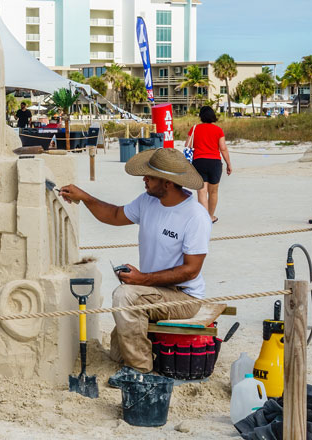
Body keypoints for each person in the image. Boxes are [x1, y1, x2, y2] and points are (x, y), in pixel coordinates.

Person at [58, 148, 211, 378]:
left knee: (124, 295)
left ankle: (140, 371)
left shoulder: (195, 216)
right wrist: (85, 198)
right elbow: (115, 215)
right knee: (117, 353)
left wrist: (142, 279)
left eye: (150, 176)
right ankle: (141, 354)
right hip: (152, 291)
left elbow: (191, 271)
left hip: (184, 297)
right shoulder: (148, 201)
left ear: (168, 183)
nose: (144, 179)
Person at [188, 106, 233, 223]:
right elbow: (223, 149)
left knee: (201, 191)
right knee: (213, 192)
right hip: (215, 163)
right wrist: (229, 164)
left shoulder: (194, 128)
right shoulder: (218, 130)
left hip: (199, 161)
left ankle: (203, 218)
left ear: (201, 116)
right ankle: (210, 217)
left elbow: (188, 145)